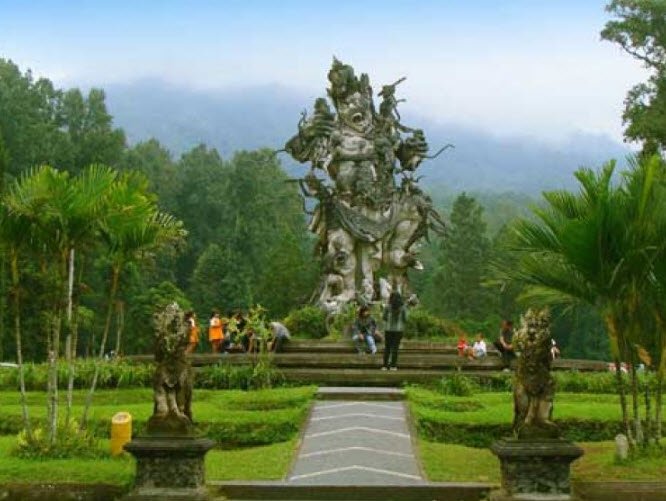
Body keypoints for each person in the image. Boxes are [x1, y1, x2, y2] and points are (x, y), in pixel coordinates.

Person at [382, 291, 408, 371]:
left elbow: (384, 317)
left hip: (388, 330)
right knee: (395, 348)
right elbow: (405, 319)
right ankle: (393, 366)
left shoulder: (387, 307)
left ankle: (385, 366)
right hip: (398, 330)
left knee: (387, 348)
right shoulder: (403, 308)